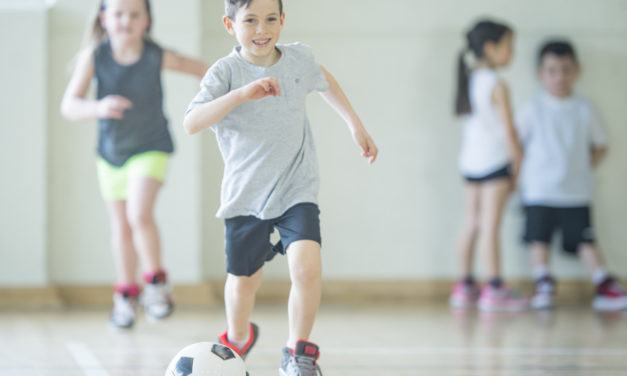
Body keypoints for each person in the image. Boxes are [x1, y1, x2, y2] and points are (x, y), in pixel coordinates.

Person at [184, 0, 378, 374]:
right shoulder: (224, 72)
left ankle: (297, 352)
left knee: (307, 270)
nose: (262, 29)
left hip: (296, 188)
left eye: (271, 19)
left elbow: (325, 80)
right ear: (230, 24)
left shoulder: (298, 59)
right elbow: (192, 122)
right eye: (251, 20)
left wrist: (355, 125)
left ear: (283, 20)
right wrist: (241, 94)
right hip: (246, 196)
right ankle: (238, 337)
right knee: (243, 283)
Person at [60, 0, 209, 328]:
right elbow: (69, 106)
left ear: (146, 21)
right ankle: (126, 294)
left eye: (134, 14)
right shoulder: (95, 57)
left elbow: (201, 69)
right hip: (110, 153)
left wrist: (212, 100)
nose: (126, 20)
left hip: (150, 147)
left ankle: (156, 284)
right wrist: (99, 107)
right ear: (104, 18)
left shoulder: (156, 56)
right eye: (118, 14)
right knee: (122, 226)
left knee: (139, 213)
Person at [516, 40, 627, 311]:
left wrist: (581, 167)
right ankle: (543, 283)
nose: (559, 77)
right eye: (552, 70)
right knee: (538, 239)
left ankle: (603, 283)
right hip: (539, 190)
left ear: (576, 70)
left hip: (575, 190)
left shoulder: (584, 109)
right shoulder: (533, 108)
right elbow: (515, 143)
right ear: (540, 74)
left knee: (584, 239)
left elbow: (600, 145)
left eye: (565, 69)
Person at [449, 19, 528, 312]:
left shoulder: (470, 78)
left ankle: (465, 285)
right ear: (491, 48)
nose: (512, 53)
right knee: (490, 226)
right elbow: (509, 131)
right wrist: (519, 164)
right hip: (494, 163)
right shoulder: (497, 84)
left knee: (472, 223)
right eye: (509, 46)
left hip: (470, 164)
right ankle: (494, 288)